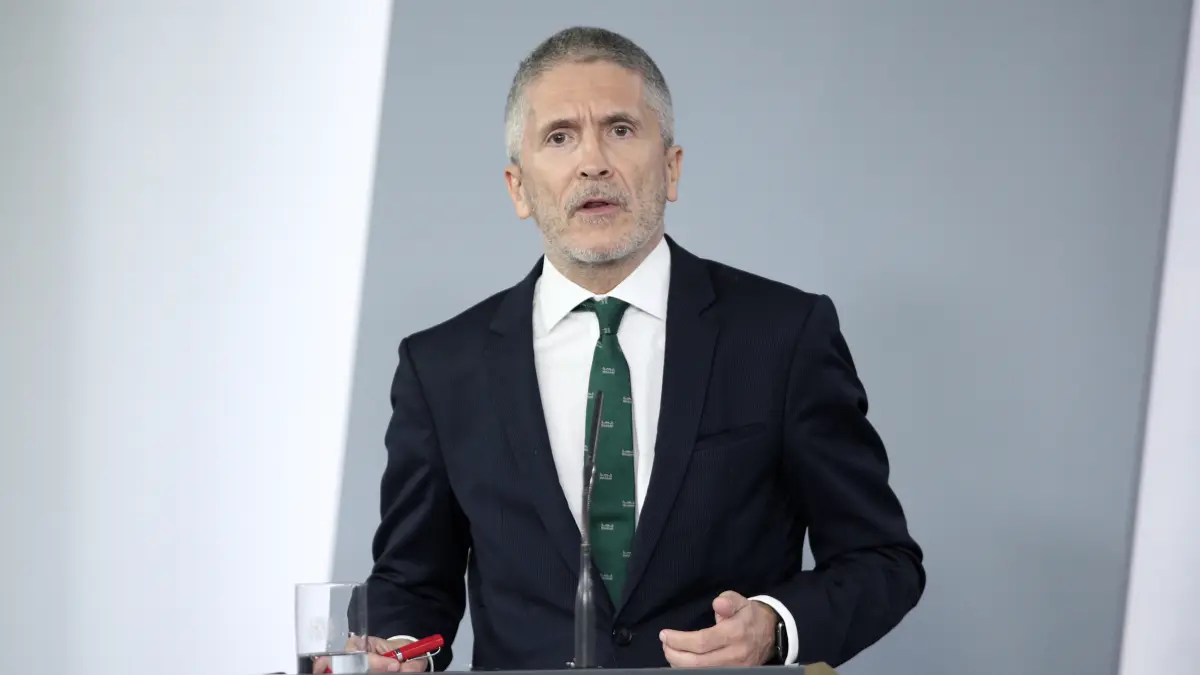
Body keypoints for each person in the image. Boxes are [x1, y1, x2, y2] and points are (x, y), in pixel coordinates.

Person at [359, 25, 924, 672]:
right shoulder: (441, 367)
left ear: (671, 167)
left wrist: (774, 626)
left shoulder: (782, 334)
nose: (593, 162)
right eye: (560, 136)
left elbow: (882, 559)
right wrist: (396, 651)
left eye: (621, 129)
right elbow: (411, 586)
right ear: (518, 187)